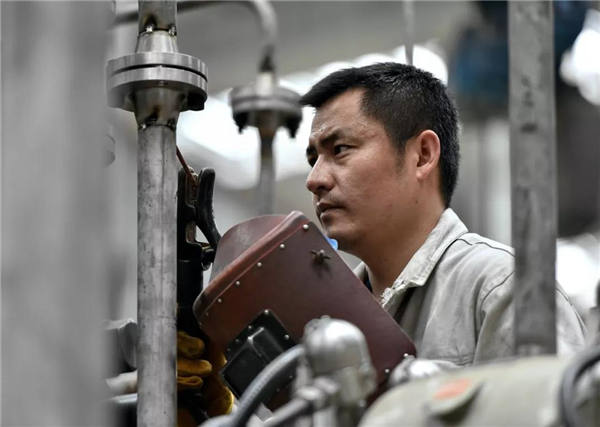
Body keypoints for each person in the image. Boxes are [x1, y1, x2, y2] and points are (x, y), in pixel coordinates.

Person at [300, 62, 585, 366]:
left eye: (340, 149)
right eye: (313, 159)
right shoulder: (329, 325)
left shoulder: (502, 288)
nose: (314, 180)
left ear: (422, 155)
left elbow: (558, 396)